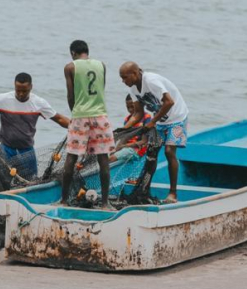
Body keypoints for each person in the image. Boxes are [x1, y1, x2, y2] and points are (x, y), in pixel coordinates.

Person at [0, 73, 69, 179]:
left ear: (31, 87)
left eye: (24, 91)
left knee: (31, 180)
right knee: (2, 179)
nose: (20, 94)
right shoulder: (3, 99)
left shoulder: (39, 103)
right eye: (18, 90)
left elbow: (59, 119)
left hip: (27, 151)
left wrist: (76, 126)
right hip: (6, 149)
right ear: (14, 86)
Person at [119, 62, 189, 201]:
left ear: (135, 73)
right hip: (160, 120)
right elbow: (138, 113)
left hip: (177, 117)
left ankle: (173, 193)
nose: (123, 81)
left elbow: (169, 102)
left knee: (169, 151)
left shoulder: (151, 81)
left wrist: (152, 122)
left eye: (125, 77)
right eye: (121, 78)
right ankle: (144, 190)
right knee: (151, 153)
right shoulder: (133, 89)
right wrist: (125, 129)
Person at [61, 40, 114, 205]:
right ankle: (105, 203)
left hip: (80, 115)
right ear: (87, 52)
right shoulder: (102, 65)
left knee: (71, 157)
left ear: (72, 53)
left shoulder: (70, 67)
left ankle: (63, 200)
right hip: (100, 115)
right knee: (103, 158)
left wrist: (75, 113)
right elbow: (101, 89)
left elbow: (71, 95)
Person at [110, 94, 153, 162]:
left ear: (138, 105)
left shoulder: (146, 118)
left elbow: (144, 141)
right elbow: (124, 138)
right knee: (109, 155)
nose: (130, 110)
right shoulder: (127, 120)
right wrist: (115, 150)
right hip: (127, 148)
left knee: (111, 158)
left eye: (132, 107)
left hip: (138, 150)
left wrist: (124, 146)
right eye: (128, 107)